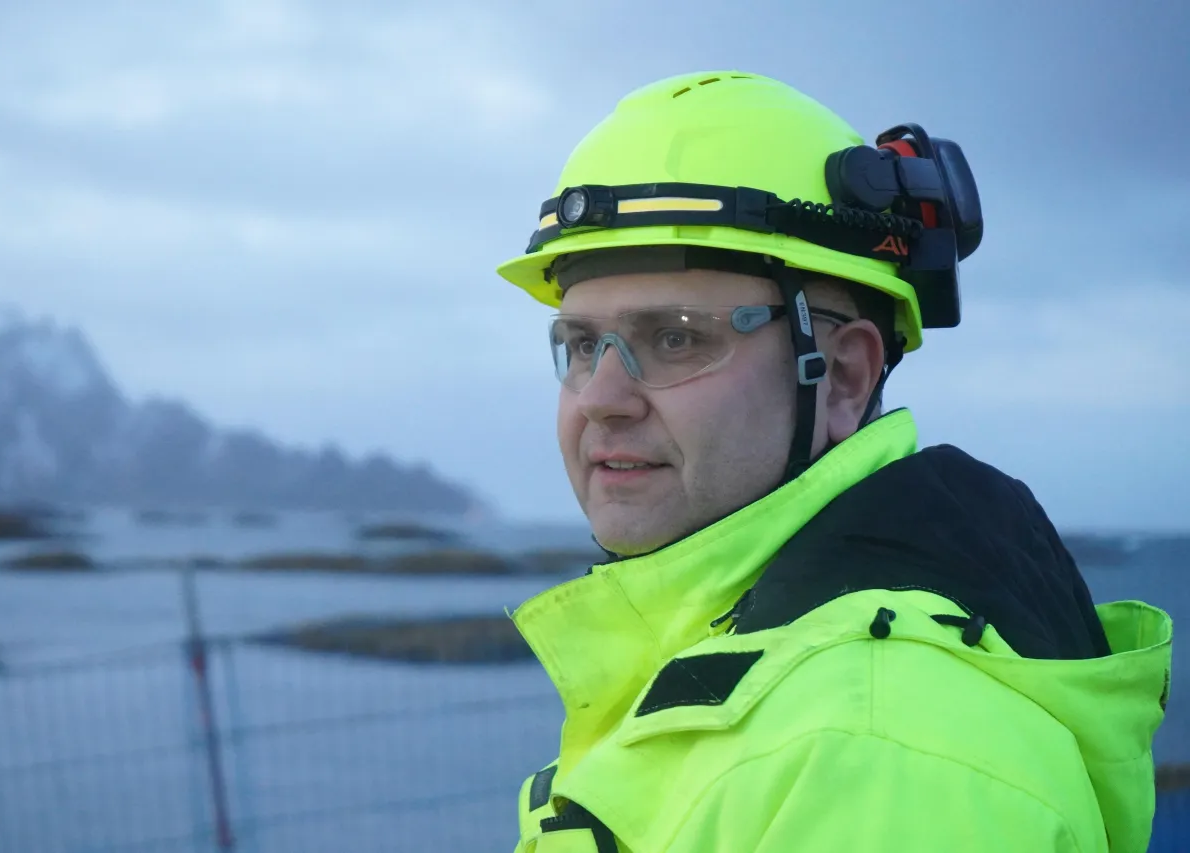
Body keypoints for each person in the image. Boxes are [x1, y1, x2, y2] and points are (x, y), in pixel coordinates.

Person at [494, 71, 1173, 852]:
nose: (601, 396)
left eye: (675, 336)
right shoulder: (773, 669)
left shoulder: (883, 747)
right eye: (583, 345)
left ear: (844, 375)